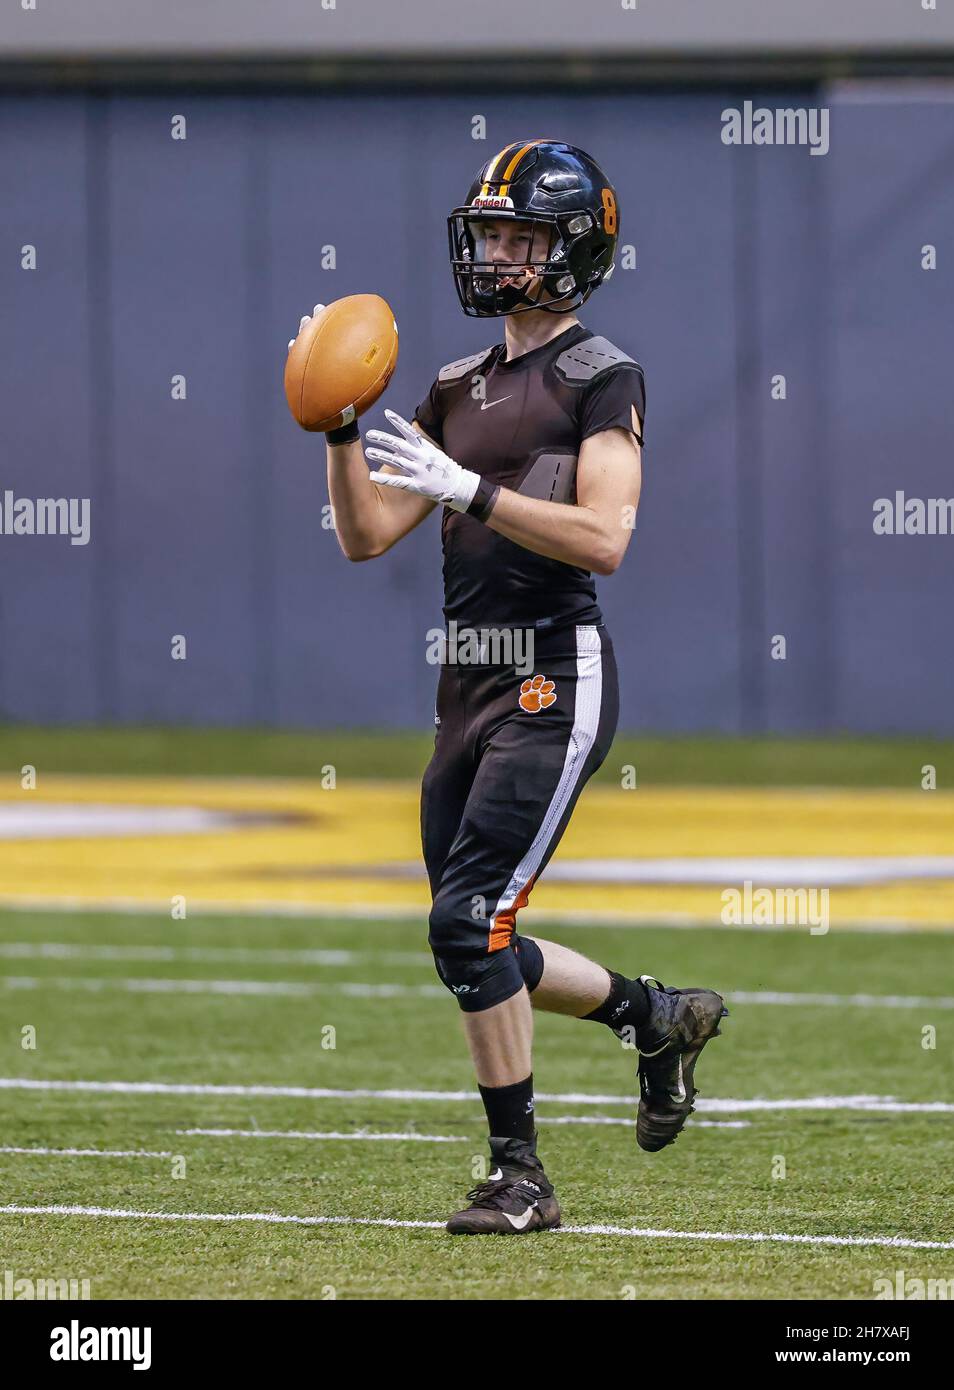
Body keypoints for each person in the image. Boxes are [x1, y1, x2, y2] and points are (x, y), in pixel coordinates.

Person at [289, 140, 726, 1235]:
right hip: (466, 684)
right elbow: (366, 535)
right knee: (471, 933)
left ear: (575, 250)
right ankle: (655, 1015)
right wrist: (340, 427)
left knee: (467, 920)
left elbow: (605, 537)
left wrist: (471, 489)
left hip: (551, 674)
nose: (492, 253)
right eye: (486, 233)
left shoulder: (602, 376)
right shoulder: (452, 383)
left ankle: (520, 1175)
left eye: (518, 236)